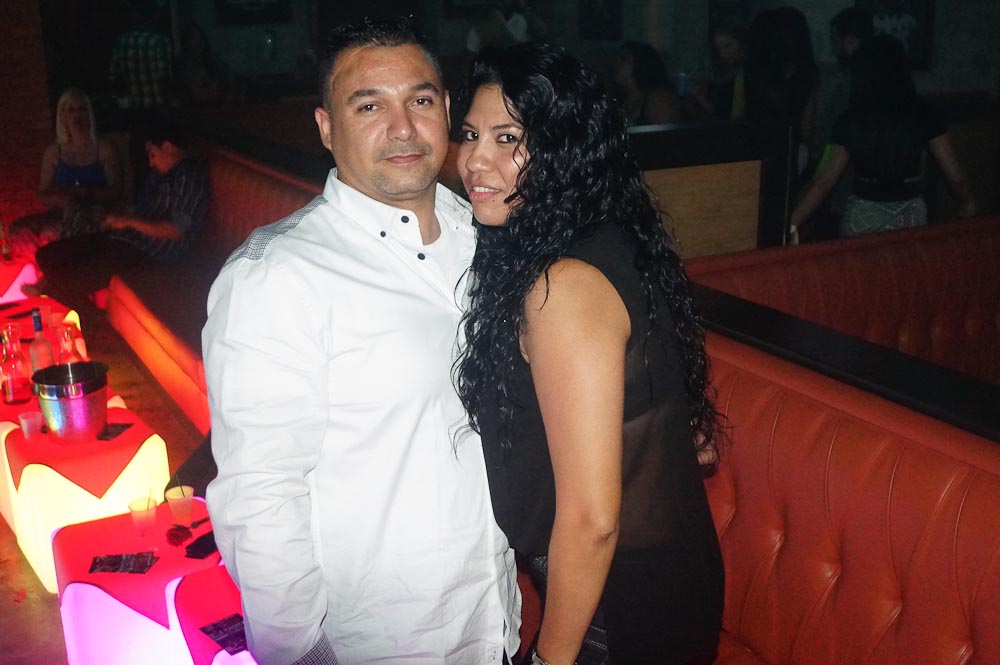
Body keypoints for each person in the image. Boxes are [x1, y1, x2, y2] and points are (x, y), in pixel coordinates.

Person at [202, 17, 519, 665]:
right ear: (326, 128)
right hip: (378, 644)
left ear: (446, 111)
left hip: (496, 625)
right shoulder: (278, 274)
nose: (402, 128)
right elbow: (260, 492)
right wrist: (299, 652)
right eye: (369, 106)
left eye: (419, 100)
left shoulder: (490, 236)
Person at [455, 43, 724, 665]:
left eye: (507, 139)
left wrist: (547, 659)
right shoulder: (604, 236)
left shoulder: (565, 285)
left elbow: (592, 521)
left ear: (563, 151)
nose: (475, 160)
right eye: (470, 134)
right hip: (657, 577)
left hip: (621, 600)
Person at [791, 35, 977, 238]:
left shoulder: (852, 119)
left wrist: (790, 225)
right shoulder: (924, 113)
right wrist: (967, 203)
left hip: (863, 213)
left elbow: (823, 182)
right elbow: (955, 175)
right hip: (909, 213)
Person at [28, 123, 208, 309]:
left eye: (153, 155)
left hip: (146, 254)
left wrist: (128, 221)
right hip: (123, 239)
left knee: (68, 280)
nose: (151, 163)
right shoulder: (158, 175)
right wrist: (114, 217)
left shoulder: (189, 177)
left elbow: (175, 230)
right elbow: (138, 206)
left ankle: (87, 319)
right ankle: (56, 293)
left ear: (168, 148)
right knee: (46, 256)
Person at [11, 88, 122, 261]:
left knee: (60, 230)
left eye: (81, 109)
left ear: (89, 113)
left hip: (94, 210)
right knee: (18, 231)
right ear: (63, 116)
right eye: (71, 110)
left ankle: (68, 266)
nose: (77, 115)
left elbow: (116, 191)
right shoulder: (54, 151)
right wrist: (61, 198)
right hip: (62, 211)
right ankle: (46, 264)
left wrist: (87, 193)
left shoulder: (103, 148)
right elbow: (43, 194)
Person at [744, 7, 819, 173]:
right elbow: (807, 131)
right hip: (793, 151)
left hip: (757, 149)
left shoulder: (754, 73)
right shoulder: (807, 72)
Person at [611, 41, 683, 126]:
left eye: (624, 60)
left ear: (641, 64)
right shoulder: (620, 98)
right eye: (617, 59)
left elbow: (663, 132)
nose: (615, 64)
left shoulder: (658, 99)